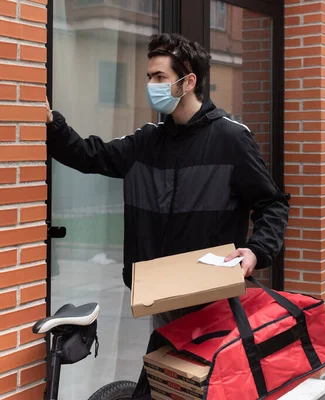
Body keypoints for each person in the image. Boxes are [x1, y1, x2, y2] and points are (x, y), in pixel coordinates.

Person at [45, 33, 289, 329]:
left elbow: (272, 204)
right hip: (159, 292)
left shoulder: (231, 139)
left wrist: (256, 250)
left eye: (160, 76)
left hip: (212, 299)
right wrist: (51, 124)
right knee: (163, 373)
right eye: (149, 77)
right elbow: (89, 155)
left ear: (188, 82)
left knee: (205, 375)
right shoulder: (146, 141)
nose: (152, 85)